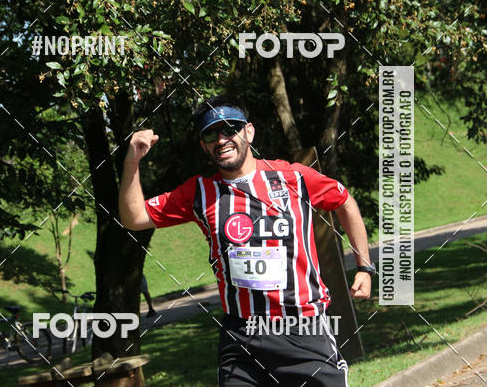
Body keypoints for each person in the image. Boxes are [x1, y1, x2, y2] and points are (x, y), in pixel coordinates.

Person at [119, 95, 374, 386]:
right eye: (211, 134)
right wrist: (132, 161)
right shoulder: (200, 193)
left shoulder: (292, 177)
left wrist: (364, 267)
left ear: (249, 132)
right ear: (204, 145)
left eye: (230, 128)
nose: (221, 139)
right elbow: (133, 217)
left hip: (303, 328)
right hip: (241, 338)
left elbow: (344, 201)